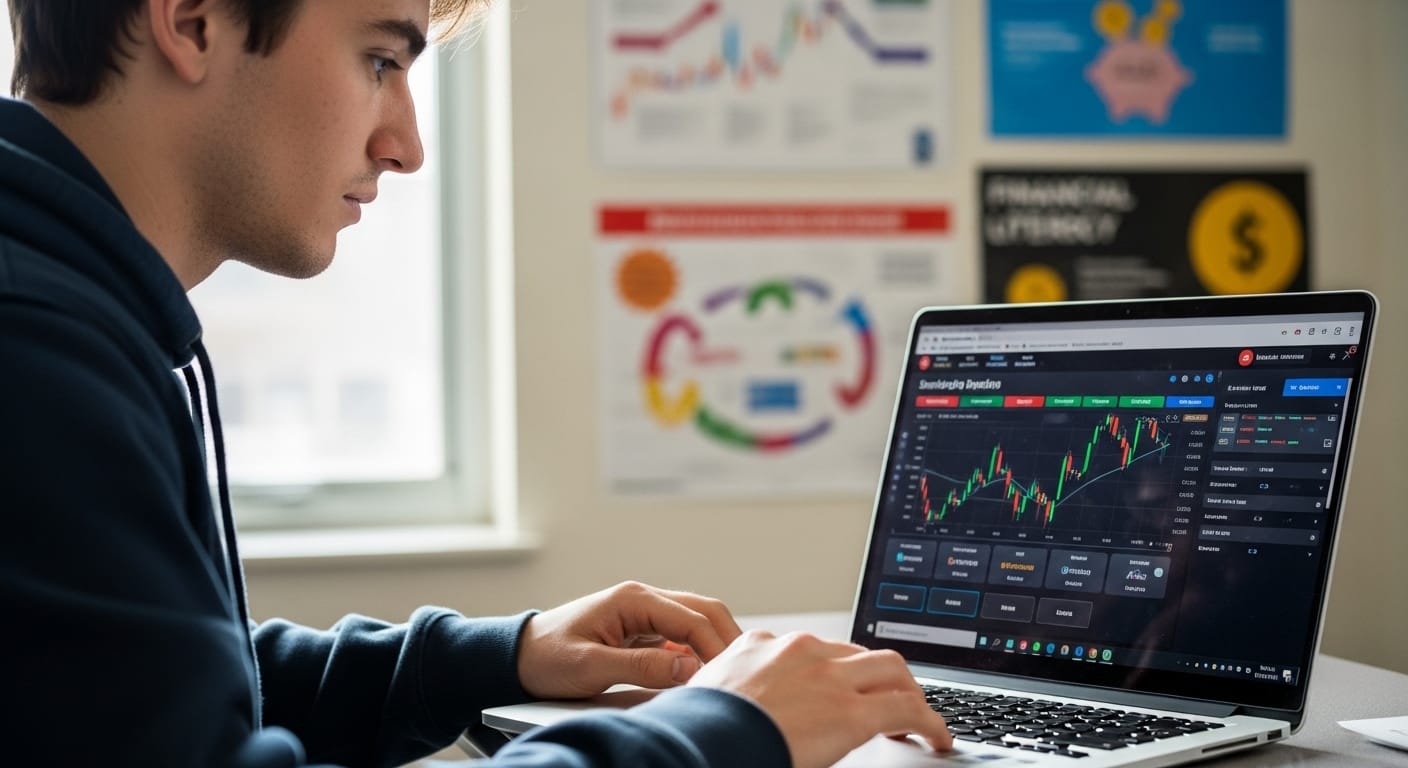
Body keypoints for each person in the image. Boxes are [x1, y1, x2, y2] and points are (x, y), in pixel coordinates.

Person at [0, 1, 952, 766]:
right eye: (381, 59)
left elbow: (161, 692)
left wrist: (501, 655)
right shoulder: (38, 356)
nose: (407, 145)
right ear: (194, 21)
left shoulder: (69, 308)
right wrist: (726, 729)